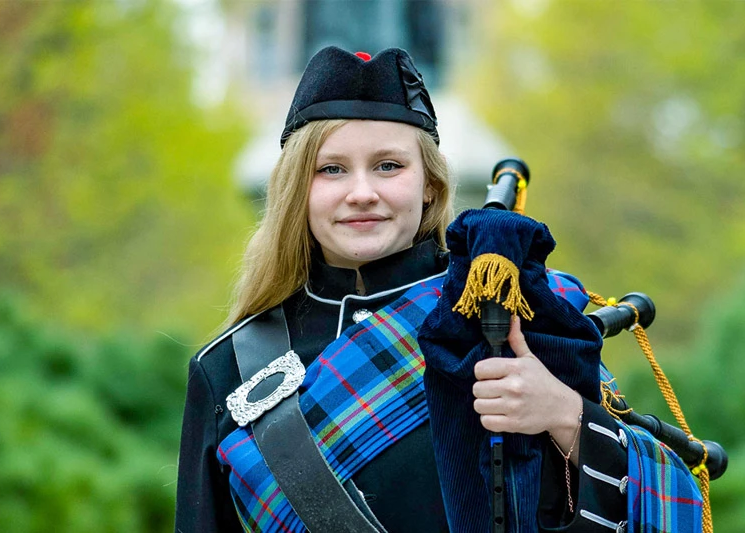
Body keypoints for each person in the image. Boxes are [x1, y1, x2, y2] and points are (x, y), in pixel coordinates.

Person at [175, 47, 703, 533]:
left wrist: (564, 415)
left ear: (429, 182)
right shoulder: (230, 368)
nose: (362, 192)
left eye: (389, 166)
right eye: (331, 169)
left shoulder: (511, 309)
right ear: (296, 188)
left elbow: (665, 497)